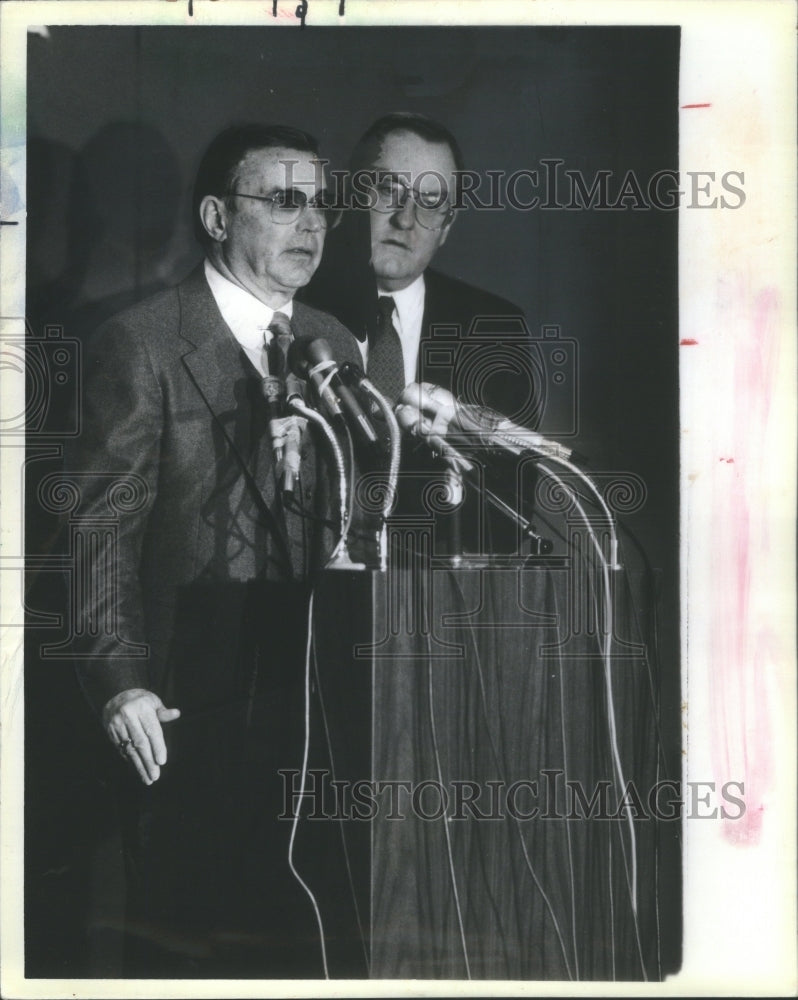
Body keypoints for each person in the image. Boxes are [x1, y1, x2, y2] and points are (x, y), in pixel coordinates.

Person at [65, 123, 362, 977]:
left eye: (321, 206)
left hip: (313, 708)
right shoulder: (144, 343)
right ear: (217, 216)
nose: (310, 224)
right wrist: (120, 686)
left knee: (304, 942)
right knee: (187, 950)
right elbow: (98, 534)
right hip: (185, 707)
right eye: (284, 202)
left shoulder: (337, 347)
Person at [304, 112, 538, 556]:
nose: (405, 219)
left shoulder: (495, 329)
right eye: (388, 190)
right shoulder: (295, 305)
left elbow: (509, 509)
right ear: (349, 197)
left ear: (448, 226)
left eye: (430, 202)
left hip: (438, 598)